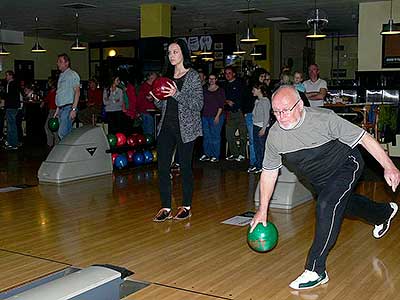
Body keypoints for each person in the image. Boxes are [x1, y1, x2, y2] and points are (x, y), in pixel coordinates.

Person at [250, 85, 399, 290]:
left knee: (327, 205)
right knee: (344, 205)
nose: (281, 116)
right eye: (276, 112)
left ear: (300, 105)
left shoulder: (324, 119)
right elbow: (269, 172)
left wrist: (389, 166)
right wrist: (262, 210)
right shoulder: (276, 136)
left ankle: (316, 269)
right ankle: (383, 213)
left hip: (347, 165)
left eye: (286, 110)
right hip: (319, 180)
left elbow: (363, 138)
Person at [150, 39, 203, 222]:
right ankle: (166, 207)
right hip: (166, 126)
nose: (172, 55)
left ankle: (186, 206)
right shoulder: (167, 77)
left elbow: (198, 105)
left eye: (175, 52)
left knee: (185, 167)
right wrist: (155, 98)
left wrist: (176, 94)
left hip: (186, 128)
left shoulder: (193, 76)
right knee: (162, 167)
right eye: (170, 53)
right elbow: (163, 105)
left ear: (183, 54)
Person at [199, 73, 225, 163]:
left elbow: (221, 105)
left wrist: (217, 116)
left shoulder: (220, 90)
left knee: (215, 136)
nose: (211, 80)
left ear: (216, 79)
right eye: (210, 78)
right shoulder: (204, 89)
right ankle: (207, 154)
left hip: (216, 115)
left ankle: (215, 155)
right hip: (205, 116)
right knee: (206, 136)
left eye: (213, 79)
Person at [54, 53, 81, 140]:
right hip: (62, 108)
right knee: (66, 134)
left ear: (67, 63)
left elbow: (77, 92)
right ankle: (72, 151)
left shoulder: (72, 74)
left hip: (69, 108)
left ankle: (70, 152)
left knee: (62, 133)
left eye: (60, 61)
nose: (58, 63)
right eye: (58, 62)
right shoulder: (61, 76)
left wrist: (73, 109)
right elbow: (60, 93)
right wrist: (57, 109)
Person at [223, 66, 246, 162]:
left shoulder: (240, 84)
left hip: (240, 112)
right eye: (226, 73)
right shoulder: (224, 86)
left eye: (229, 73)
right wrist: (226, 101)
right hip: (229, 113)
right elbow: (220, 98)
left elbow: (244, 97)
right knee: (229, 135)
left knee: (242, 134)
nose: (227, 75)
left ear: (234, 74)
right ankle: (234, 153)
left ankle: (242, 154)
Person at [250, 82, 271, 173]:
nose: (252, 91)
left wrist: (263, 128)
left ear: (259, 90)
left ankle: (262, 165)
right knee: (256, 147)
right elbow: (254, 114)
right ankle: (258, 164)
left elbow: (267, 116)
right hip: (255, 125)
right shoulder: (258, 101)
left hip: (261, 127)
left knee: (261, 147)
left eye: (254, 89)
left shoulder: (265, 101)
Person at [3, 70, 20, 150]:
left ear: (10, 76)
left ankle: (13, 144)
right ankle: (12, 143)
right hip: (13, 107)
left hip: (11, 107)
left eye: (6, 75)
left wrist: (4, 103)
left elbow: (10, 97)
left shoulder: (11, 84)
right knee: (11, 125)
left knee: (11, 126)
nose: (5, 77)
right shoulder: (13, 84)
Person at [42, 79, 59, 147]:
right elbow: (47, 99)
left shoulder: (57, 92)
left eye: (49, 83)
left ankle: (54, 143)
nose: (48, 84)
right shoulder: (51, 91)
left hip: (55, 110)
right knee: (49, 127)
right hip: (52, 110)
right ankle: (51, 143)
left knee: (52, 127)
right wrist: (43, 102)